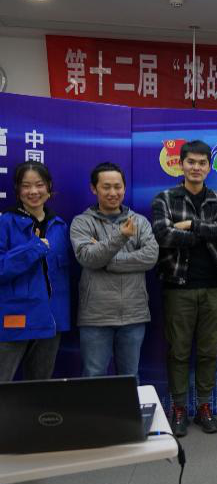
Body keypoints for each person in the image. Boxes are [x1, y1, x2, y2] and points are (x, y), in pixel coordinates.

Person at [152, 140, 217, 437]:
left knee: (208, 351)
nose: (196, 167)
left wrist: (191, 226)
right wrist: (203, 234)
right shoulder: (165, 198)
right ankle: (179, 408)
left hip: (215, 287)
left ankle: (204, 407)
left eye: (202, 163)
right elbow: (163, 235)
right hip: (178, 287)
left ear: (209, 167)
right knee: (178, 351)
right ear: (181, 164)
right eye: (191, 162)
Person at [70, 162, 158, 378]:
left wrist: (107, 260)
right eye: (106, 187)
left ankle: (128, 407)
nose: (113, 193)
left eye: (118, 187)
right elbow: (88, 258)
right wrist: (121, 236)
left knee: (129, 377)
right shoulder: (81, 222)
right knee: (94, 376)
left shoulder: (140, 222)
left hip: (133, 314)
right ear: (94, 188)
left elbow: (150, 257)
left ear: (124, 188)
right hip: (96, 316)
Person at [0, 161, 70, 382]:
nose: (33, 191)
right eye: (26, 185)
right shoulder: (5, 222)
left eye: (39, 185)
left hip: (51, 320)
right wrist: (33, 248)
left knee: (40, 388)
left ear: (49, 187)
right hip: (14, 318)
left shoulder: (60, 226)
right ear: (17, 190)